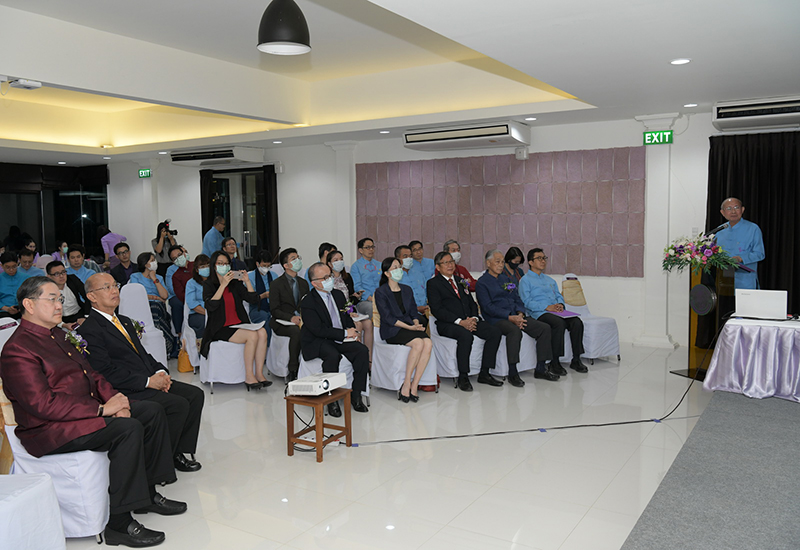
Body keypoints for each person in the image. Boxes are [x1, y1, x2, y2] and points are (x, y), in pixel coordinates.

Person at [1, 276, 186, 548]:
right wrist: (101, 409)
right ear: (29, 305)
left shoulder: (59, 335)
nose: (59, 305)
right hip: (49, 430)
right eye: (51, 299)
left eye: (60, 299)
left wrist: (116, 400)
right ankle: (118, 524)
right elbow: (42, 404)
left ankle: (147, 494)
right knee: (127, 429)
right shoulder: (17, 349)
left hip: (80, 414)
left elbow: (93, 374)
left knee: (150, 411)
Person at [79, 273, 205, 474]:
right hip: (125, 388)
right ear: (91, 296)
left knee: (194, 394)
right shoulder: (90, 329)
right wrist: (147, 381)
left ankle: (177, 451)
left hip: (146, 379)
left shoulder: (124, 321)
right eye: (106, 287)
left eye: (115, 285)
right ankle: (160, 462)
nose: (114, 291)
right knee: (177, 404)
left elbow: (143, 355)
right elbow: (105, 371)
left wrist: (161, 372)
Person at [476, 250, 559, 386]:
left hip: (516, 315)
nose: (501, 265)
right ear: (488, 263)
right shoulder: (482, 283)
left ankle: (540, 368)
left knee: (544, 328)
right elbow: (487, 307)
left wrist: (520, 313)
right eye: (497, 262)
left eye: (502, 262)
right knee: (514, 331)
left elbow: (517, 298)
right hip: (497, 319)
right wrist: (509, 317)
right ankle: (513, 372)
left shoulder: (506, 279)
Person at [300, 262, 370, 416]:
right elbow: (318, 330)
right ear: (314, 283)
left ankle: (356, 395)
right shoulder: (308, 302)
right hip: (318, 340)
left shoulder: (338, 295)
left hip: (339, 337)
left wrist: (353, 332)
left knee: (362, 351)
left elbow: (347, 316)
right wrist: (344, 334)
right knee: (332, 355)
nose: (329, 280)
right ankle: (331, 399)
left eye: (330, 275)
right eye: (325, 277)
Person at [427, 251, 502, 392]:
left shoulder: (461, 281)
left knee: (494, 332)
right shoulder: (433, 283)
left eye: (451, 262)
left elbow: (471, 303)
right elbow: (437, 309)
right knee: (465, 335)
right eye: (446, 263)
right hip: (448, 324)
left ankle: (485, 373)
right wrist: (460, 322)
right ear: (438, 267)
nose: (450, 265)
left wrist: (473, 318)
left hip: (469, 320)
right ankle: (463, 376)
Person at [201, 250, 270, 390]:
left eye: (226, 264)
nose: (224, 266)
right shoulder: (209, 284)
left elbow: (253, 299)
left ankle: (259, 373)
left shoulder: (234, 284)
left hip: (239, 324)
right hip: (220, 327)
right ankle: (249, 376)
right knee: (252, 336)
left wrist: (247, 281)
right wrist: (223, 285)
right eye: (220, 263)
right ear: (214, 266)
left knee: (262, 332)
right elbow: (211, 306)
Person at [519, 248, 589, 375]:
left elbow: (558, 295)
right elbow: (527, 302)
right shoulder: (525, 280)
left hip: (556, 311)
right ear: (530, 262)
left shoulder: (550, 280)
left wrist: (560, 305)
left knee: (577, 322)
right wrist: (547, 307)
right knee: (558, 323)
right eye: (539, 258)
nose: (543, 261)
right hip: (539, 313)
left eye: (544, 258)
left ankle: (576, 359)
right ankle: (554, 362)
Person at [374, 257, 432, 402]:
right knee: (418, 343)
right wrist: (410, 327)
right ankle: (406, 383)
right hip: (392, 330)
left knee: (428, 343)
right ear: (387, 273)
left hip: (409, 326)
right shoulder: (381, 292)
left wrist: (416, 323)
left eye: (399, 267)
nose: (399, 270)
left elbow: (413, 311)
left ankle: (415, 384)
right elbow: (388, 318)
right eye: (395, 268)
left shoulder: (406, 289)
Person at [129, 252, 181, 359]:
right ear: (145, 264)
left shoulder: (159, 278)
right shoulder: (135, 277)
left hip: (158, 308)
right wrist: (156, 298)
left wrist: (154, 279)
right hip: (142, 307)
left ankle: (162, 344)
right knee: (153, 306)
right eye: (152, 260)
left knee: (154, 308)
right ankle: (162, 342)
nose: (155, 262)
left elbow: (165, 295)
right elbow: (136, 294)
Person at [269, 248, 308, 381]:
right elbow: (274, 310)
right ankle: (293, 368)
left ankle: (309, 366)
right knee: (295, 331)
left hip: (301, 319)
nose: (298, 261)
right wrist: (291, 318)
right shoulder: (276, 284)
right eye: (293, 259)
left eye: (298, 258)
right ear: (286, 265)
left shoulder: (303, 283)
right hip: (281, 321)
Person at [327, 249, 374, 357]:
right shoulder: (328, 280)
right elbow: (331, 300)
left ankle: (369, 358)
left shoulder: (347, 277)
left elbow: (350, 298)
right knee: (358, 324)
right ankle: (357, 355)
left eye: (341, 259)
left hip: (350, 310)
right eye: (336, 260)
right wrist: (347, 312)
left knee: (368, 323)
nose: (339, 262)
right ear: (329, 264)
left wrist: (356, 296)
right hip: (338, 311)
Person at [714, 197, 765, 289]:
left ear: (742, 209)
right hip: (724, 281)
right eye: (729, 208)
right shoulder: (719, 231)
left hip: (745, 282)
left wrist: (740, 258)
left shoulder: (753, 229)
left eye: (736, 207)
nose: (733, 211)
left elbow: (759, 254)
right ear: (722, 212)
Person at [46, 260, 90, 326]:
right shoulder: (46, 289)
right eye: (57, 274)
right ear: (49, 276)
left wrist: (86, 317)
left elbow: (87, 295)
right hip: (59, 319)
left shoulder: (72, 279)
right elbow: (47, 312)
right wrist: (63, 325)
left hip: (79, 314)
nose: (61, 276)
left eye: (63, 272)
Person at [350, 237, 381, 319]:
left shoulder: (379, 264)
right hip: (365, 301)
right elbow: (357, 286)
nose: (371, 249)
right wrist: (371, 298)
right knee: (372, 308)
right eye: (367, 247)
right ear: (361, 250)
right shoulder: (356, 266)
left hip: (381, 298)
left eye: (372, 247)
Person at [165, 245, 193, 334]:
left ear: (184, 253)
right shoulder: (171, 271)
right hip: (177, 295)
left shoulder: (194, 265)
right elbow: (171, 288)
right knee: (177, 303)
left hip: (194, 294)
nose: (178, 258)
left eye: (179, 255)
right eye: (174, 258)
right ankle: (179, 333)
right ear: (172, 261)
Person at [395, 244, 429, 316]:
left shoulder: (418, 273)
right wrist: (416, 309)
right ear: (397, 259)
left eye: (410, 256)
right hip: (406, 313)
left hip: (425, 310)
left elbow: (426, 291)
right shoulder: (395, 277)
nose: (409, 259)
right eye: (405, 256)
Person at [184, 254, 210, 339]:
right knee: (202, 321)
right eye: (202, 266)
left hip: (215, 312)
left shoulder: (215, 281)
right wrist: (207, 313)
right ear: (197, 270)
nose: (206, 268)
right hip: (198, 313)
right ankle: (201, 345)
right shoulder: (191, 283)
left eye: (208, 265)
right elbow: (192, 304)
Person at [248, 249, 273, 327]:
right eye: (264, 266)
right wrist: (263, 296)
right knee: (265, 316)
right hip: (256, 308)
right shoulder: (250, 277)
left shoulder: (274, 275)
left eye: (269, 266)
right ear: (257, 264)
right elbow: (250, 298)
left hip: (273, 306)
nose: (266, 268)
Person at [0, 251, 27, 318]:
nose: (11, 270)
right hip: (4, 311)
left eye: (14, 266)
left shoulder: (26, 278)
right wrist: (6, 308)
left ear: (18, 264)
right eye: (8, 267)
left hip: (24, 310)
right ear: (2, 266)